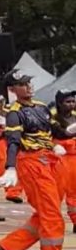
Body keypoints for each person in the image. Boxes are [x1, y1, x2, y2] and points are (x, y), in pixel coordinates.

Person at [0, 72, 76, 250]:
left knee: (46, 213)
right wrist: (10, 167)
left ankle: (7, 248)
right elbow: (13, 141)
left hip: (51, 160)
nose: (28, 87)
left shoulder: (41, 107)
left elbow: (55, 132)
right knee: (52, 216)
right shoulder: (14, 113)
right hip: (32, 163)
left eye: (28, 82)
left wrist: (68, 134)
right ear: (12, 90)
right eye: (22, 84)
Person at [54, 90, 76, 233]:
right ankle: (52, 221)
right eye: (67, 102)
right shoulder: (53, 119)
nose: (71, 104)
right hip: (61, 159)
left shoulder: (75, 117)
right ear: (60, 104)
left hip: (74, 158)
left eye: (73, 101)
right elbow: (58, 135)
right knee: (57, 193)